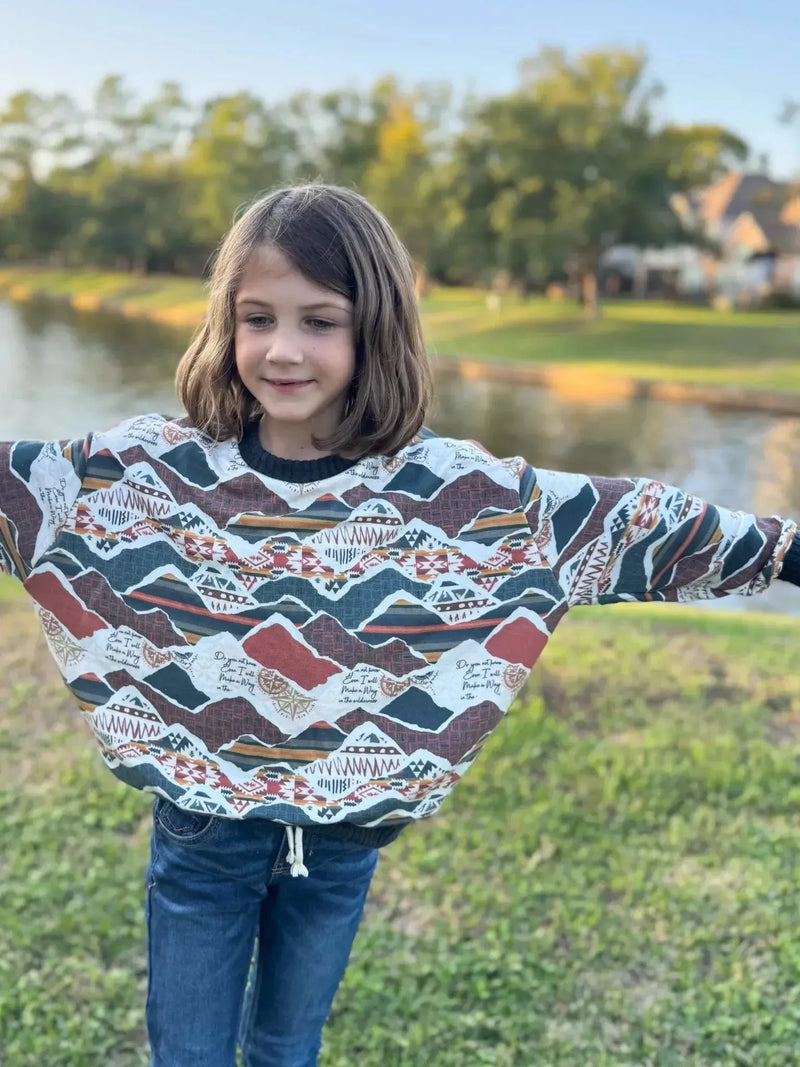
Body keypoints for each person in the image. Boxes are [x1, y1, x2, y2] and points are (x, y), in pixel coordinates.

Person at [1, 182, 799, 1067]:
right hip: (202, 826)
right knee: (186, 1052)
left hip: (343, 837)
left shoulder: (461, 495)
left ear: (376, 326)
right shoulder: (156, 470)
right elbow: (27, 488)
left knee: (287, 1044)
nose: (282, 350)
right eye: (257, 317)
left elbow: (625, 518)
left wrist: (784, 551)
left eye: (320, 321)